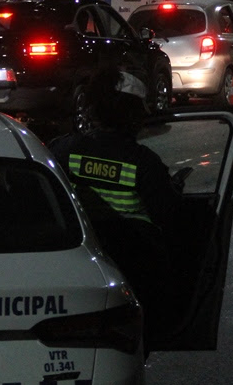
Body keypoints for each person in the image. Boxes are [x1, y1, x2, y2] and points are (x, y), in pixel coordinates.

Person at [48, 67, 184, 346]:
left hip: (80, 263)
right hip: (136, 267)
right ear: (133, 115)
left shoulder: (62, 151)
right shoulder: (144, 162)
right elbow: (169, 217)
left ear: (93, 110)